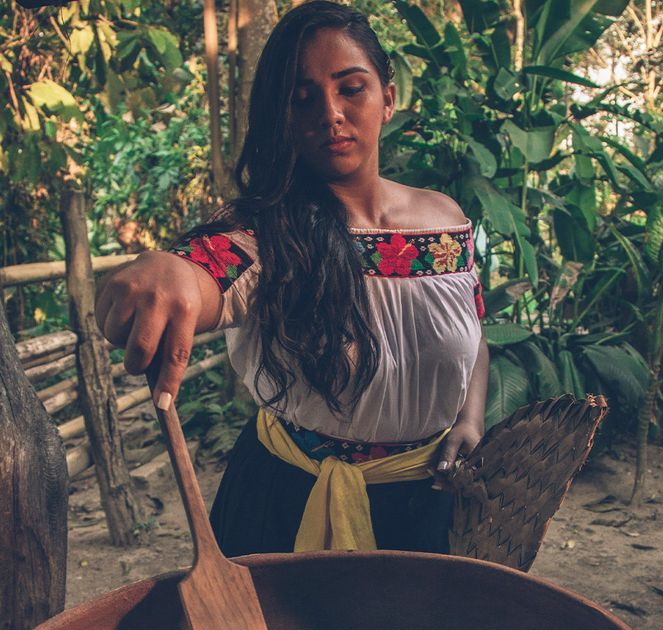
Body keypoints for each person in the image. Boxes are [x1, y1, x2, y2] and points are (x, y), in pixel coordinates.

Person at [95, 0, 488, 556]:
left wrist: (469, 419)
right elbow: (208, 270)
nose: (330, 113)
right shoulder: (264, 232)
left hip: (427, 503)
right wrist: (173, 272)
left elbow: (472, 332)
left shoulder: (445, 221)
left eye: (351, 88)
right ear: (281, 117)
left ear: (389, 98)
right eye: (302, 99)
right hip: (283, 502)